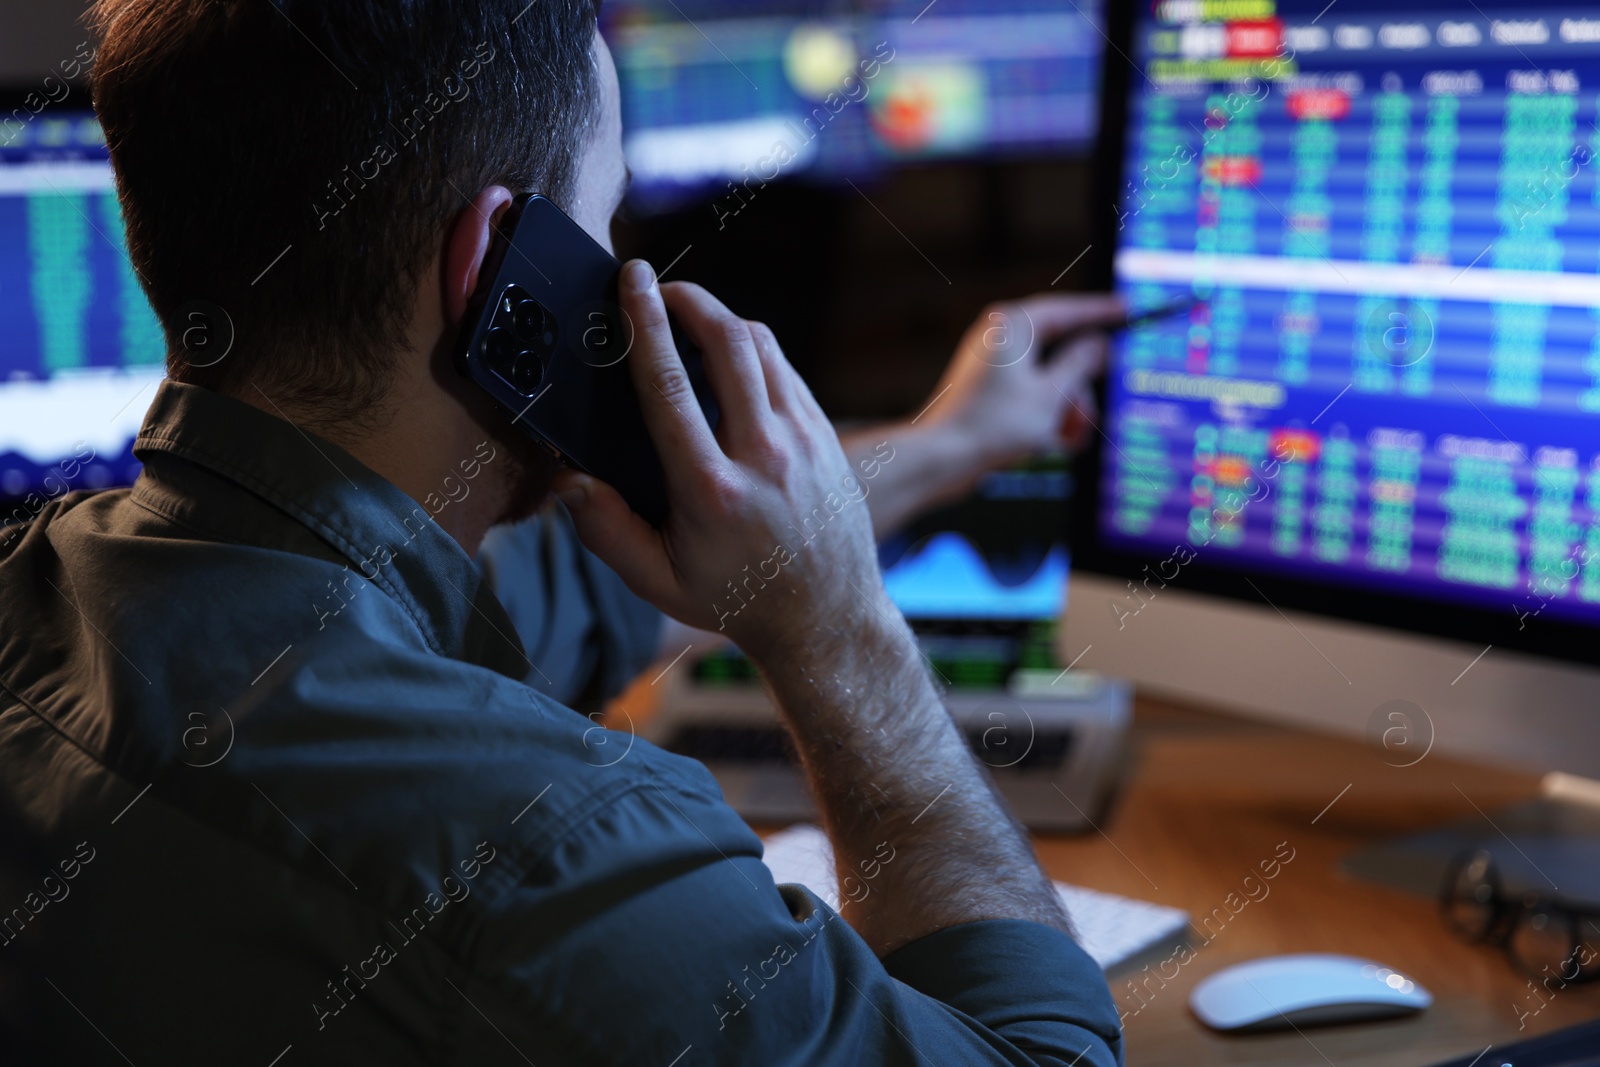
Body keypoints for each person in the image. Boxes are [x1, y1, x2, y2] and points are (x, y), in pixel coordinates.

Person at [0, 2, 1127, 1063]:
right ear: (500, 269)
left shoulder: (70, 596)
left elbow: (535, 599)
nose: (619, 263)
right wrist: (838, 630)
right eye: (604, 217)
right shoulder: (548, 849)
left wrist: (944, 440)